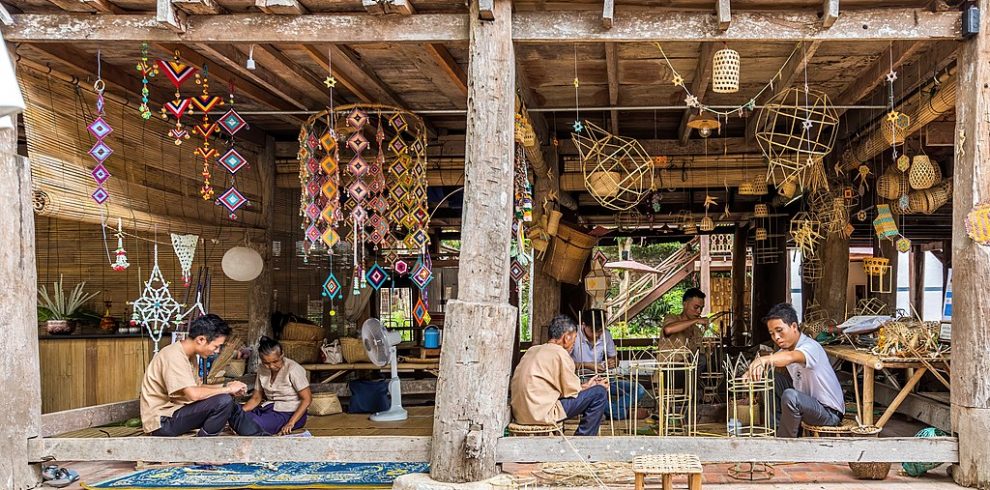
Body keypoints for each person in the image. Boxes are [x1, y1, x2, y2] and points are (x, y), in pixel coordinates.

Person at [140, 314, 267, 436]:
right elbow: (194, 394)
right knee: (223, 401)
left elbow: (198, 387)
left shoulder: (190, 356)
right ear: (201, 339)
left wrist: (228, 386)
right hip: (161, 422)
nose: (216, 351)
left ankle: (259, 437)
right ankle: (203, 447)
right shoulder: (174, 355)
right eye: (216, 346)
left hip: (174, 413)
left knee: (228, 401)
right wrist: (228, 389)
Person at [744, 303, 845, 438]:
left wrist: (762, 360)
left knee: (791, 396)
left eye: (780, 330)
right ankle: (776, 430)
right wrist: (750, 371)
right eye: (772, 333)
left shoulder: (810, 347)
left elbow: (790, 357)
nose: (776, 337)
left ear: (794, 326)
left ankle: (786, 443)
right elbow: (780, 357)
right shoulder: (785, 350)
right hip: (807, 404)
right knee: (770, 378)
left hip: (828, 413)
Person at [510, 315, 609, 436]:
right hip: (541, 414)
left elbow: (561, 389)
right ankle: (582, 441)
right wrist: (594, 386)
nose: (574, 343)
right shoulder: (560, 353)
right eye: (574, 338)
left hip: (521, 414)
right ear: (566, 337)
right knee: (599, 393)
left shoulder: (532, 350)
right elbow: (572, 392)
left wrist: (587, 386)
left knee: (595, 391)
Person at [571, 309, 648, 420]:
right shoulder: (573, 335)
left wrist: (613, 362)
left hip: (603, 379)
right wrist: (588, 365)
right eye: (593, 331)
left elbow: (615, 359)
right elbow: (565, 365)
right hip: (582, 382)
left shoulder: (605, 334)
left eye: (600, 331)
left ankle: (611, 411)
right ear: (583, 325)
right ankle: (624, 414)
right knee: (597, 396)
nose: (597, 335)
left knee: (638, 389)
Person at [242, 336, 313, 435]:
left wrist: (291, 423)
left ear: (282, 355)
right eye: (266, 363)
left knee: (254, 424)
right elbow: (256, 398)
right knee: (239, 416)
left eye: (275, 361)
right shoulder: (261, 369)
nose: (271, 366)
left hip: (289, 413)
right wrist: (239, 413)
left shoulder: (293, 369)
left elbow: (307, 399)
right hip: (269, 409)